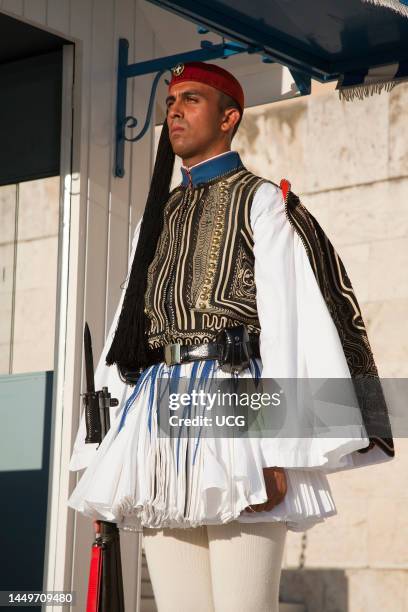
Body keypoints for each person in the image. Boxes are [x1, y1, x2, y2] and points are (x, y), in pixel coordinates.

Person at [67, 61, 395, 611]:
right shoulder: (159, 215)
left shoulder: (262, 200)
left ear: (229, 117)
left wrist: (275, 450)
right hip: (157, 418)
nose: (174, 111)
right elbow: (130, 332)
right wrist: (104, 446)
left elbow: (290, 325)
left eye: (191, 100)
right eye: (170, 102)